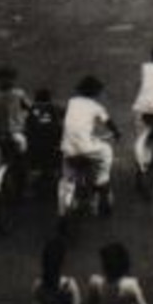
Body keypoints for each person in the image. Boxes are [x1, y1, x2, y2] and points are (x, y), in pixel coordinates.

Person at [60, 75, 117, 215]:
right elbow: (108, 122)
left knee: (68, 171)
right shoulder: (96, 106)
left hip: (68, 147)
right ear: (96, 92)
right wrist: (117, 133)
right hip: (86, 147)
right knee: (107, 150)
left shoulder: (71, 102)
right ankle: (101, 181)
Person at [0, 66, 31, 166]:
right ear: (13, 79)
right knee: (25, 151)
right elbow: (30, 108)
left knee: (5, 152)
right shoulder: (19, 93)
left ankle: (5, 167)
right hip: (16, 131)